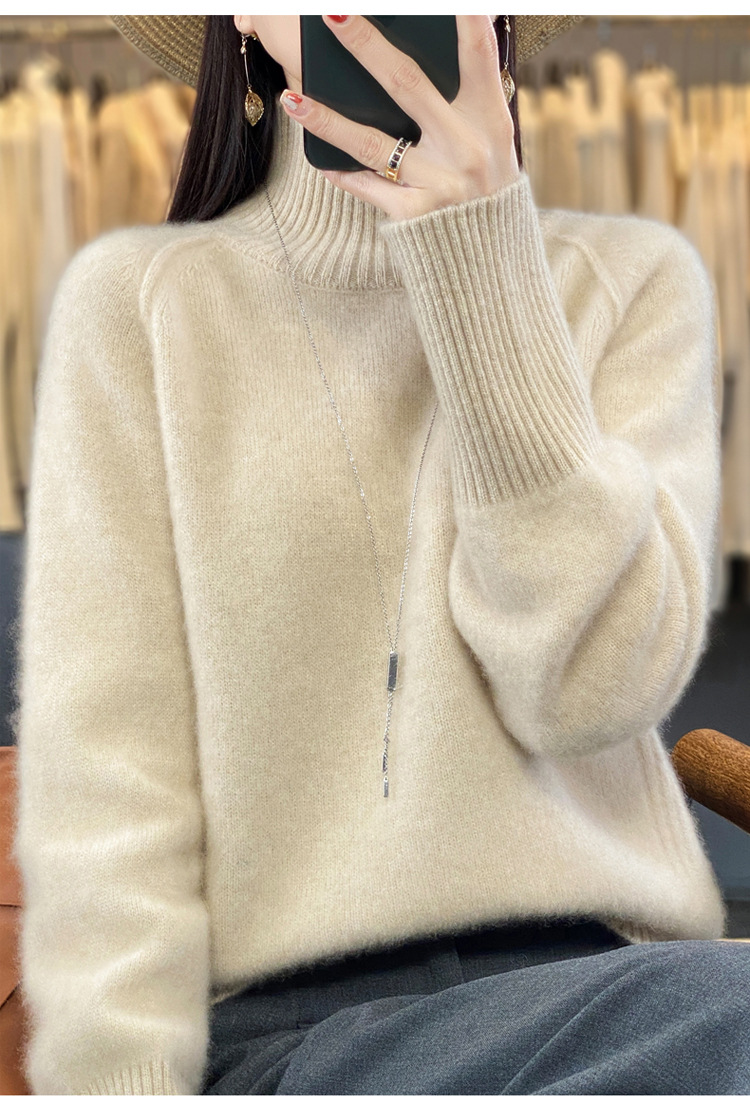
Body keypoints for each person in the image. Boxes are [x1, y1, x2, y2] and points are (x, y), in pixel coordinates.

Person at [10, 14, 749, 1097]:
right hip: (294, 1033)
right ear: (243, 21)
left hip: (614, 995)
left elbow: (588, 692)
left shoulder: (631, 283)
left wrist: (481, 259)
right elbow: (109, 778)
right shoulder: (142, 308)